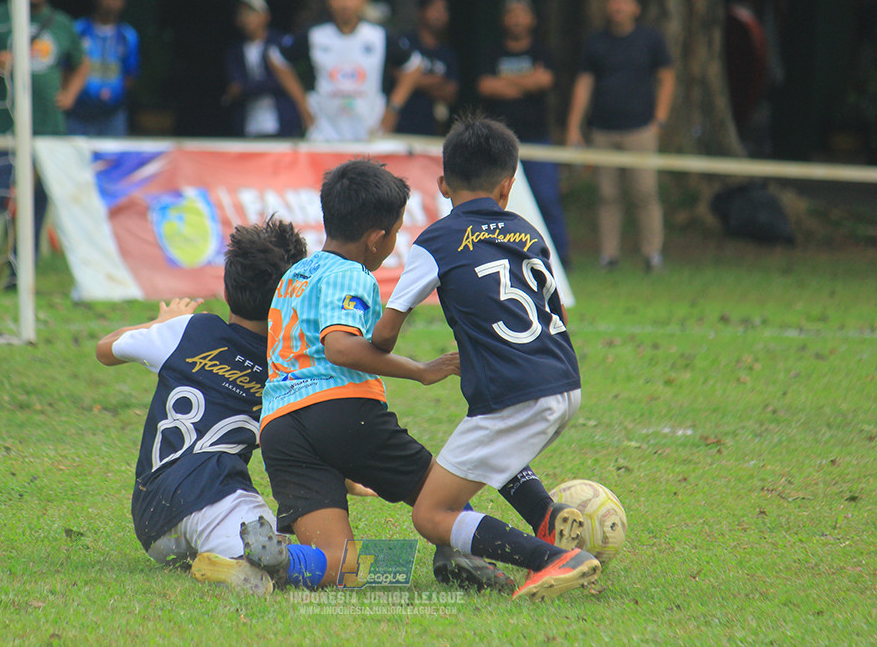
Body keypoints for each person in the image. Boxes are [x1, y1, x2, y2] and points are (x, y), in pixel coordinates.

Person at [239, 159, 514, 592]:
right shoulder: (353, 274)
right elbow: (341, 347)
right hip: (342, 413)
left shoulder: (292, 275)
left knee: (339, 565)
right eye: (397, 231)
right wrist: (420, 371)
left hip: (279, 429)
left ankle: (281, 559)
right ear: (376, 239)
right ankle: (468, 559)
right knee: (446, 496)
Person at [372, 114, 601, 601]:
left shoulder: (435, 240)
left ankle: (553, 559)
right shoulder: (529, 232)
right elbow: (553, 313)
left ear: (442, 185)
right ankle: (550, 518)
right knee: (486, 460)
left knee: (431, 514)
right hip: (564, 382)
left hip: (513, 396)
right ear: (507, 187)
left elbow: (387, 334)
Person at [95, 218, 330, 593]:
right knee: (285, 558)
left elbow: (105, 349)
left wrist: (158, 322)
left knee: (271, 544)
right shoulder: (286, 367)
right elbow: (309, 444)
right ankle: (234, 565)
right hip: (216, 496)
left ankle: (226, 560)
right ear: (291, 296)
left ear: (227, 283)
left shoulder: (188, 329)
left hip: (151, 516)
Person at [0, 0, 88, 294]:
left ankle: (18, 276)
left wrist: (69, 95)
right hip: (4, 129)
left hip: (49, 133)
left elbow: (81, 64)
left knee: (34, 209)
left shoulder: (62, 23)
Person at [565, 0, 675, 272]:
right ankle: (609, 256)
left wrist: (659, 121)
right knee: (608, 196)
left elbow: (667, 77)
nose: (618, 5)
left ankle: (653, 254)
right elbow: (585, 83)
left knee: (645, 193)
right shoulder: (596, 42)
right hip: (603, 131)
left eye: (625, 0)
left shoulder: (650, 40)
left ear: (636, 8)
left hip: (640, 130)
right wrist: (574, 126)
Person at [477, 0, 571, 268]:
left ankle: (560, 258)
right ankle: (496, 255)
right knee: (496, 201)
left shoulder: (542, 51)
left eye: (522, 14)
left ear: (531, 20)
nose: (516, 20)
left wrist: (505, 84)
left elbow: (545, 82)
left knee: (547, 198)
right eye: (511, 14)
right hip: (499, 145)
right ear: (504, 20)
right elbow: (485, 87)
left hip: (537, 140)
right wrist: (527, 82)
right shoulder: (491, 51)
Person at [267, 0, 422, 141]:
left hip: (370, 135)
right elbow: (276, 58)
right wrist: (302, 105)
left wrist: (393, 109)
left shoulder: (379, 36)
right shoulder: (314, 36)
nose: (345, 3)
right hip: (323, 135)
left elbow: (414, 65)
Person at [222, 0, 302, 138]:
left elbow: (283, 81)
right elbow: (234, 85)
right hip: (249, 126)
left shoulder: (280, 43)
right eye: (241, 13)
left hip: (281, 123)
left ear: (265, 16)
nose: (245, 18)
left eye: (250, 13)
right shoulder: (235, 51)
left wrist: (246, 88)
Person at [66, 0, 139, 137]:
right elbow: (66, 68)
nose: (112, 3)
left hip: (113, 118)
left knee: (114, 161)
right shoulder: (78, 29)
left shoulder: (128, 36)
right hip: (79, 117)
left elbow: (130, 76)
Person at [395, 0, 459, 136]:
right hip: (399, 124)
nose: (440, 15)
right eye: (435, 9)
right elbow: (396, 75)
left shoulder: (447, 53)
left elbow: (451, 93)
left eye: (444, 10)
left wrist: (412, 81)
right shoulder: (405, 43)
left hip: (431, 129)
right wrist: (435, 81)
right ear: (421, 12)